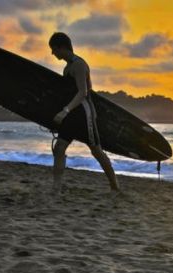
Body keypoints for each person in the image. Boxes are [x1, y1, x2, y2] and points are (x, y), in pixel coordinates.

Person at [48, 32, 120, 192]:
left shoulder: (79, 65)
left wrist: (64, 111)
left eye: (54, 49)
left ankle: (114, 185)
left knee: (96, 151)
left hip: (84, 114)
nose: (53, 53)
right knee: (59, 148)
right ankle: (56, 187)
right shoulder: (67, 67)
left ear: (62, 47)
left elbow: (83, 92)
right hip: (71, 114)